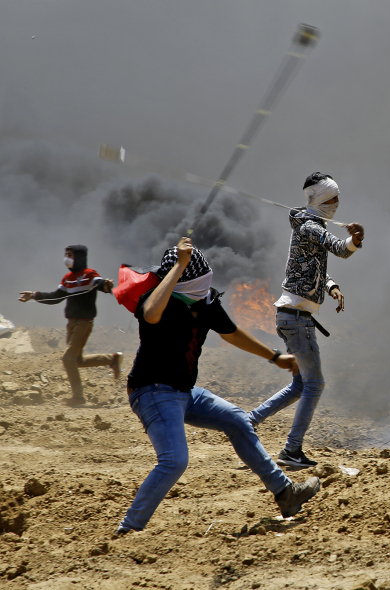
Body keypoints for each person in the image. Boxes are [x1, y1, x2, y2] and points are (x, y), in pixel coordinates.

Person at [117, 237, 320, 535]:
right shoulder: (159, 301)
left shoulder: (205, 303)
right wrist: (179, 267)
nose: (204, 284)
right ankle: (128, 529)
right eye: (196, 278)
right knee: (174, 461)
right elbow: (151, 314)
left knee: (237, 420)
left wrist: (274, 356)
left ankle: (285, 494)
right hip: (153, 391)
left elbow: (232, 334)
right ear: (181, 281)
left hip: (183, 392)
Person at [248, 172, 365, 470]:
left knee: (301, 384)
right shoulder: (311, 226)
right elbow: (339, 249)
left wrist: (331, 287)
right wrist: (354, 240)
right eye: (333, 198)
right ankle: (291, 451)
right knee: (315, 385)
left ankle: (248, 421)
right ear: (322, 199)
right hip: (297, 319)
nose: (337, 203)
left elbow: (313, 269)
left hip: (292, 316)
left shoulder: (307, 226)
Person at [18, 245, 122, 407]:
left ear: (79, 257)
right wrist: (34, 296)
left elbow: (101, 284)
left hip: (84, 323)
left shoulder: (89, 275)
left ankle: (78, 397)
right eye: (66, 254)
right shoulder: (67, 278)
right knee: (77, 360)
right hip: (71, 323)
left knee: (68, 358)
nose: (67, 257)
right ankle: (112, 359)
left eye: (70, 255)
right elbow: (55, 297)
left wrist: (107, 285)